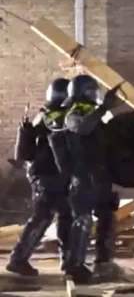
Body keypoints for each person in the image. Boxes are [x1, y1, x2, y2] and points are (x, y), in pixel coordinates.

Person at [49, 75, 119, 282]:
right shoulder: (73, 113)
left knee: (107, 215)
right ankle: (75, 265)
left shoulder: (95, 114)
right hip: (83, 175)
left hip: (100, 175)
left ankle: (104, 261)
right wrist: (103, 109)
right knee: (83, 219)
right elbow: (80, 128)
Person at [6, 78, 73, 276]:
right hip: (47, 175)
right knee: (43, 217)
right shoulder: (56, 117)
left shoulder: (45, 114)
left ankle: (68, 262)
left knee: (65, 215)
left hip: (49, 174)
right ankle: (18, 259)